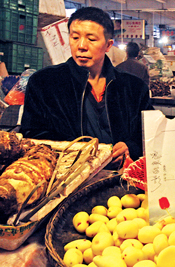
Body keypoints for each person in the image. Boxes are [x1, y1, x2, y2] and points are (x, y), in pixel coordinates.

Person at [20, 7, 153, 169]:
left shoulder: (134, 88)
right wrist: (76, 154)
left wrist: (130, 148)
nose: (81, 45)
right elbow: (32, 136)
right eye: (75, 37)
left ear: (108, 45)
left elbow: (149, 134)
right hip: (63, 179)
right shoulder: (44, 83)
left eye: (91, 39)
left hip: (121, 181)